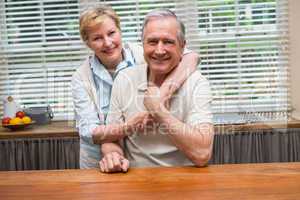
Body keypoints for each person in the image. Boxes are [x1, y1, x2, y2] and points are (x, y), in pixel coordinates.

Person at [71, 5, 200, 169]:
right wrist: (129, 127)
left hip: (140, 162)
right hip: (101, 162)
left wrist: (162, 95)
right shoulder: (81, 78)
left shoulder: (146, 52)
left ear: (120, 31)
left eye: (111, 33)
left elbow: (191, 57)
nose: (108, 43)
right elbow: (88, 131)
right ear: (88, 43)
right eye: (97, 38)